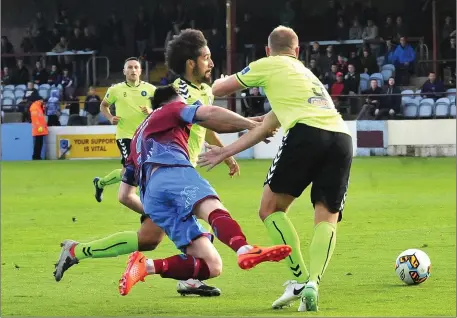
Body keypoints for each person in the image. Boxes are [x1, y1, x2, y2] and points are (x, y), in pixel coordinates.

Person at [197, 26, 353, 312]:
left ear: (268, 50)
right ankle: (313, 284)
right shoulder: (306, 76)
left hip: (306, 134)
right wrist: (227, 151)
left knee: (270, 209)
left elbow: (217, 89)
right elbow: (267, 126)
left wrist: (198, 81)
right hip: (342, 138)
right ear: (297, 50)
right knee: (326, 217)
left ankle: (300, 279)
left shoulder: (268, 65)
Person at [118, 85, 292, 296]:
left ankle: (146, 266)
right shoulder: (171, 108)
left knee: (211, 264)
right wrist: (251, 126)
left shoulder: (138, 136)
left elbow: (125, 196)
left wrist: (255, 122)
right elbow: (209, 113)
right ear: (175, 99)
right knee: (211, 207)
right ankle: (243, 248)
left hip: (152, 197)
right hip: (172, 172)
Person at [93, 57, 155, 203]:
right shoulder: (116, 89)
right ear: (124, 71)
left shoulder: (151, 89)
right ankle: (148, 201)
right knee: (134, 168)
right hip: (125, 136)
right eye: (130, 67)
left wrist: (151, 110)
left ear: (140, 70)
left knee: (126, 172)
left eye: (135, 67)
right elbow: (104, 105)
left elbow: (161, 109)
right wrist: (110, 117)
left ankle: (100, 183)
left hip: (144, 136)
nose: (133, 70)